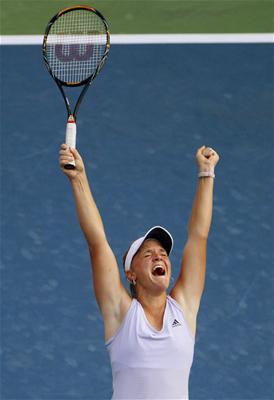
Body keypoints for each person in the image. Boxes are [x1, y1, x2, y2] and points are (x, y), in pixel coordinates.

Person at [59, 144, 220, 400]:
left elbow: (198, 237)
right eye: (147, 254)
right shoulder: (121, 313)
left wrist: (206, 174)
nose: (159, 256)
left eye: (163, 254)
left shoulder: (185, 306)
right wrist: (78, 178)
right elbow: (97, 243)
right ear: (130, 274)